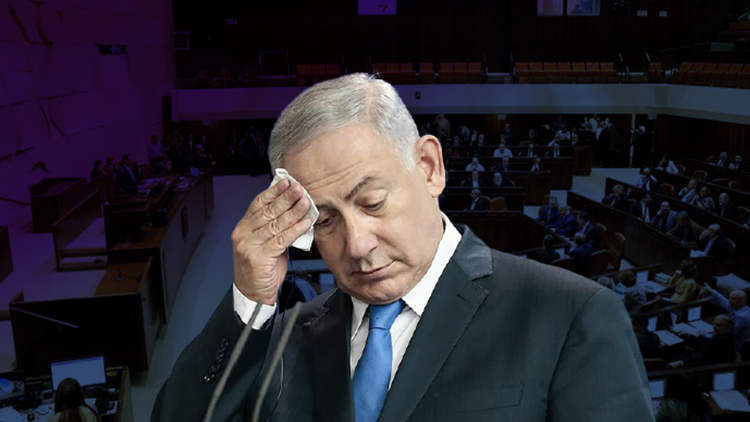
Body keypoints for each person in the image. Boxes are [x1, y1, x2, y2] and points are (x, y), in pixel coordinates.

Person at [153, 74, 653, 422]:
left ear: (430, 167)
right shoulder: (283, 338)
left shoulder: (571, 316)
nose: (357, 246)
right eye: (324, 220)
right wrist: (249, 300)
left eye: (372, 203)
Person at [667, 314, 736, 368]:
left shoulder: (720, 340)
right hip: (704, 359)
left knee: (670, 354)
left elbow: (702, 357)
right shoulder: (727, 336)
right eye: (714, 324)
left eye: (718, 325)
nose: (714, 327)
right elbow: (707, 346)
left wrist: (681, 363)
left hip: (702, 366)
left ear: (727, 327)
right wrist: (690, 336)